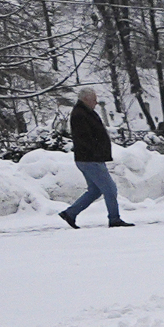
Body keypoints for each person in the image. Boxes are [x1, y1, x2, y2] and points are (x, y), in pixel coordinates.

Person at [59, 89, 129, 228]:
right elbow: (85, 138)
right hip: (90, 159)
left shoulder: (84, 112)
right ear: (85, 99)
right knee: (110, 189)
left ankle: (70, 213)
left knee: (95, 190)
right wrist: (97, 151)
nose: (96, 103)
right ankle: (114, 219)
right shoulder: (81, 114)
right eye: (94, 100)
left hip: (87, 158)